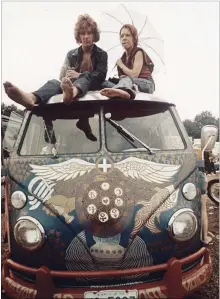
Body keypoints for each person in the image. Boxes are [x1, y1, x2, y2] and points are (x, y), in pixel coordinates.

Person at [3, 14, 110, 140]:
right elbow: (62, 76)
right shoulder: (72, 54)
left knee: (85, 76)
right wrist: (67, 74)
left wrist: (80, 75)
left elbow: (101, 74)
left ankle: (72, 93)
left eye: (89, 33)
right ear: (79, 36)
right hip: (71, 86)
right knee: (54, 82)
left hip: (93, 86)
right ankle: (31, 97)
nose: (86, 36)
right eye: (82, 33)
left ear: (94, 35)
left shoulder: (102, 54)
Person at [100, 24, 155, 100]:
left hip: (146, 84)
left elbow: (134, 75)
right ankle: (120, 92)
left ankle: (124, 92)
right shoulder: (123, 58)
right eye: (122, 36)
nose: (124, 38)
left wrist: (121, 65)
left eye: (128, 35)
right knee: (103, 82)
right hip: (130, 84)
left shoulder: (138, 52)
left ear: (134, 39)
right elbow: (122, 78)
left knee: (127, 79)